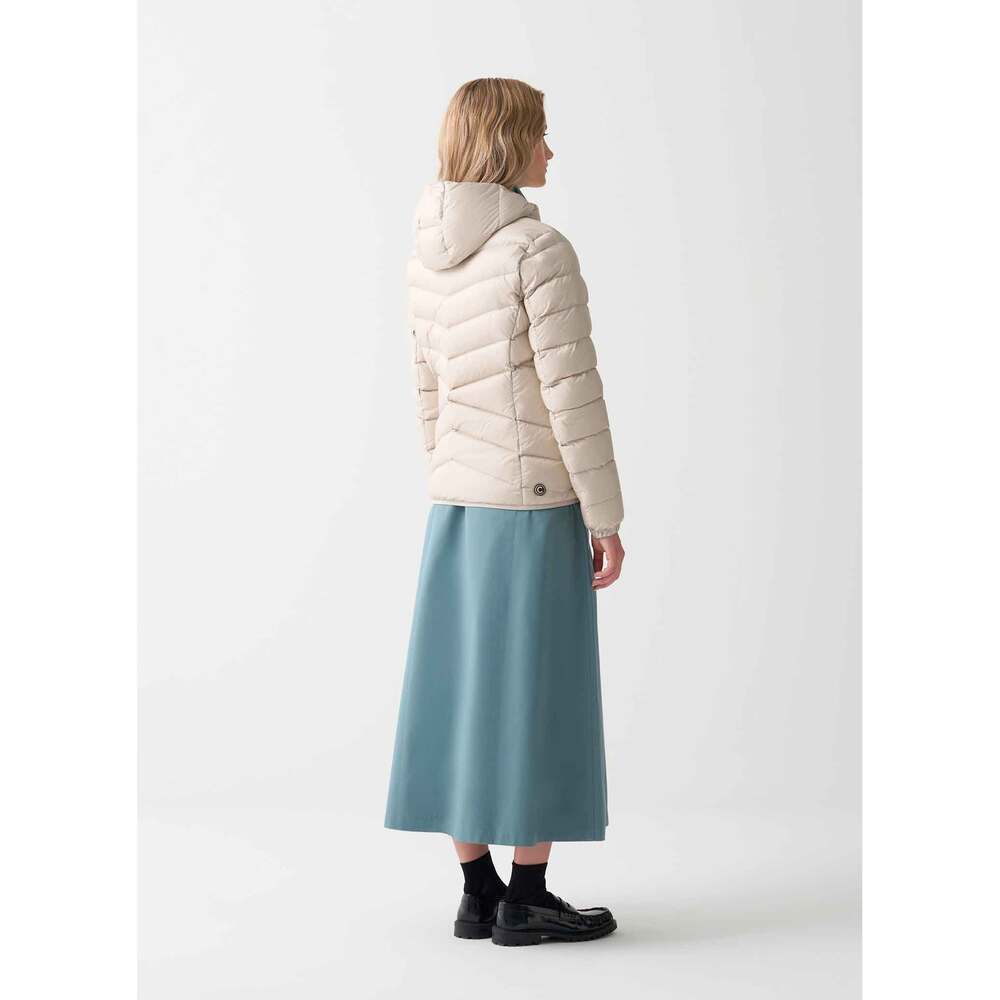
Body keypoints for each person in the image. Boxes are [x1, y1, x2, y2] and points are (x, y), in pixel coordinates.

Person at [384, 78, 625, 947]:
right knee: (538, 697)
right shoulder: (537, 249)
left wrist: (450, 474)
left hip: (456, 505)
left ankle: (476, 893)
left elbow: (428, 393)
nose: (550, 151)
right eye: (541, 134)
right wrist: (605, 516)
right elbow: (573, 394)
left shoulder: (424, 256)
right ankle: (527, 897)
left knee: (459, 695)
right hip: (532, 507)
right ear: (506, 142)